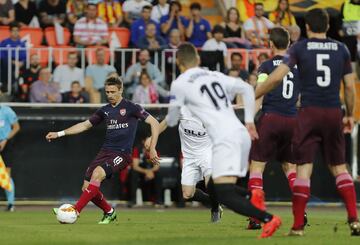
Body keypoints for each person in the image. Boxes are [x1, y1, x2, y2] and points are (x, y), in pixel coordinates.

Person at [255, 8, 360, 236]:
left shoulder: (299, 48)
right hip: (333, 110)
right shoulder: (341, 48)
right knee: (340, 169)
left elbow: (275, 78)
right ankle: (354, 220)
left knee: (303, 169)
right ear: (328, 27)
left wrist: (253, 94)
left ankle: (298, 227)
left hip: (308, 113)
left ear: (307, 28)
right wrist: (350, 114)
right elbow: (350, 86)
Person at [165, 42, 282, 238]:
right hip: (240, 133)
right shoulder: (213, 75)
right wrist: (249, 121)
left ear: (178, 62)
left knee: (224, 194)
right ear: (198, 60)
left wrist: (177, 110)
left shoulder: (180, 83)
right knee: (214, 187)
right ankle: (252, 195)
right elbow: (246, 88)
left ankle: (269, 219)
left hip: (225, 139)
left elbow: (172, 120)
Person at [47, 76, 160, 224]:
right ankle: (109, 212)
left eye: (113, 92)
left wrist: (152, 148)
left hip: (122, 154)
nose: (110, 95)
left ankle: (74, 210)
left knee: (97, 174)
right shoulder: (105, 110)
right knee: (87, 188)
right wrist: (59, 133)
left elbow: (155, 123)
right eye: (107, 92)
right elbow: (85, 125)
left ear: (121, 90)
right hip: (105, 152)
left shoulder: (132, 107)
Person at [247, 26, 300, 230]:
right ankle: (300, 211)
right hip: (293, 119)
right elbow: (299, 98)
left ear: (270, 44)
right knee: (290, 167)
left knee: (257, 166)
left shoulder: (266, 66)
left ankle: (255, 215)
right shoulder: (297, 67)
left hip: (271, 118)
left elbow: (259, 95)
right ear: (288, 44)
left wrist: (249, 120)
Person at [145, 105, 223, 222]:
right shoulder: (182, 108)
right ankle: (214, 203)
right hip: (189, 156)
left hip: (207, 154)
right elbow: (165, 123)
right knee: (187, 194)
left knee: (210, 185)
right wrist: (151, 137)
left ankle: (215, 209)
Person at [0, 105, 20, 211]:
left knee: (6, 175)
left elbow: (16, 127)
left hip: (5, 145)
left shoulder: (7, 111)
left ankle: (11, 204)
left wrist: (5, 139)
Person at [0, 22, 26, 93]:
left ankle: (21, 85)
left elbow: (24, 56)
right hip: (7, 62)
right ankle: (7, 84)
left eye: (17, 31)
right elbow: (1, 55)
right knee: (5, 62)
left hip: (19, 63)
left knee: (27, 63)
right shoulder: (4, 42)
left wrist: (22, 62)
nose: (15, 32)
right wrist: (12, 61)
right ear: (10, 31)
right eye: (13, 31)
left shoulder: (22, 43)